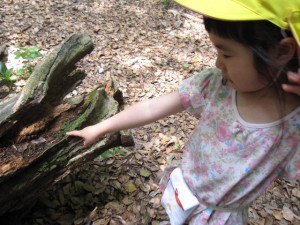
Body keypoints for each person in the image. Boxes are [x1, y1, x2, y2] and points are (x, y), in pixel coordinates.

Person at [67, 0, 300, 224]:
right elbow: (152, 107)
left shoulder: (294, 126)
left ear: (281, 52)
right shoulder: (216, 85)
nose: (218, 63)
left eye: (227, 54)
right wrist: (100, 128)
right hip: (182, 193)